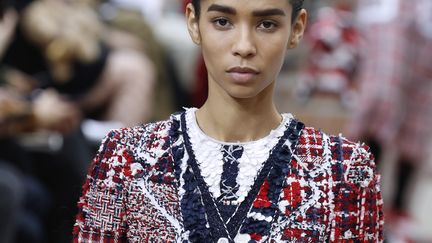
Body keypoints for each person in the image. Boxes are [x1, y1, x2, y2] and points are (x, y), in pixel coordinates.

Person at [73, 0, 384, 242]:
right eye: (222, 21)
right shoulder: (126, 158)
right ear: (193, 23)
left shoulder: (343, 171)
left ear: (297, 29)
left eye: (267, 24)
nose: (244, 46)